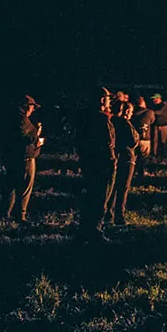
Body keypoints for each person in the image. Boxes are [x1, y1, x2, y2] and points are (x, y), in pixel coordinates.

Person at [76, 87, 117, 243]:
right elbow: (107, 143)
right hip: (102, 165)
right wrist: (111, 161)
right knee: (100, 199)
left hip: (89, 163)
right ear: (102, 100)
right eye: (108, 99)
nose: (109, 102)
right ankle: (95, 232)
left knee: (90, 197)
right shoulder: (101, 119)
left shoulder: (84, 117)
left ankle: (84, 230)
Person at [0, 95, 44, 223]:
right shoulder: (22, 120)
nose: (33, 109)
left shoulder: (13, 118)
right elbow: (23, 137)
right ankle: (21, 215)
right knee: (25, 187)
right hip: (25, 158)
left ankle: (6, 213)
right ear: (26, 107)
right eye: (32, 106)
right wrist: (37, 139)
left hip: (14, 157)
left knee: (11, 185)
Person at [106, 101, 138, 227]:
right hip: (126, 157)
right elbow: (133, 141)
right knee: (123, 188)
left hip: (115, 156)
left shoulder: (111, 121)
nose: (132, 114)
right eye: (130, 111)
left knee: (113, 187)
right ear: (125, 111)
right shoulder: (125, 123)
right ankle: (119, 216)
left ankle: (109, 213)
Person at [131, 96, 154, 181]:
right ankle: (141, 173)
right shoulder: (149, 112)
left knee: (135, 156)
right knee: (144, 157)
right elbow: (152, 121)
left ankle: (133, 172)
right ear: (143, 102)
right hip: (145, 138)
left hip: (134, 138)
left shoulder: (133, 113)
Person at [148, 93, 167, 161]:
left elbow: (159, 112)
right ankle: (155, 155)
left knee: (163, 141)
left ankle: (164, 156)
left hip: (163, 126)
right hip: (156, 125)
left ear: (159, 98)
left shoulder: (164, 106)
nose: (154, 100)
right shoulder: (154, 106)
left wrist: (151, 112)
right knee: (155, 141)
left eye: (155, 98)